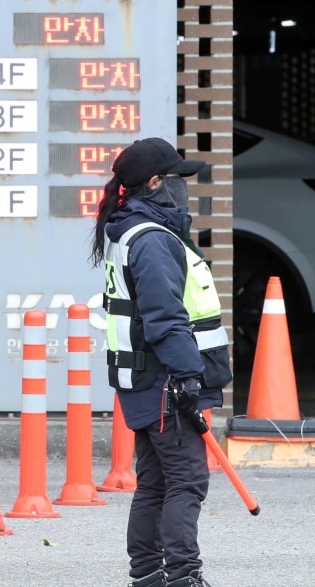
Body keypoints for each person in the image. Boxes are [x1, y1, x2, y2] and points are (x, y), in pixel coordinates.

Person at [90, 137, 233, 587]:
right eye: (177, 179)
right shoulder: (150, 239)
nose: (183, 188)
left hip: (148, 383)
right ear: (155, 183)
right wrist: (189, 378)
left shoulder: (131, 230)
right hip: (165, 382)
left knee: (156, 482)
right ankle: (182, 578)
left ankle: (150, 576)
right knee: (187, 482)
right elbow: (165, 318)